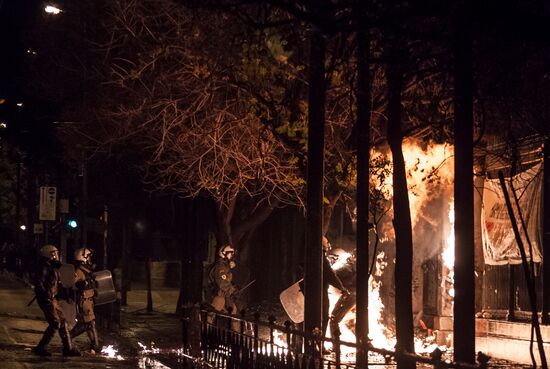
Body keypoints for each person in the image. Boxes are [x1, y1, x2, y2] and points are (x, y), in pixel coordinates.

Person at [32, 244, 80, 357]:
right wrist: (46, 296)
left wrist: (63, 294)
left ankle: (68, 348)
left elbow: (56, 283)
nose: (57, 255)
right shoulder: (44, 267)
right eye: (55, 253)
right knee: (55, 323)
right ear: (51, 254)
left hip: (52, 298)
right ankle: (40, 348)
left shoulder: (51, 266)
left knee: (62, 321)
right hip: (47, 299)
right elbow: (39, 283)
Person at [70, 247, 99, 353]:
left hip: (89, 301)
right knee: (89, 323)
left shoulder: (86, 271)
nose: (91, 259)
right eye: (89, 257)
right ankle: (94, 346)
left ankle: (67, 337)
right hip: (84, 301)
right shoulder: (79, 271)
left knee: (86, 324)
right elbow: (69, 283)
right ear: (83, 258)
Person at [321, 237, 349, 338]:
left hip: (310, 293)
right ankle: (319, 344)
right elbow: (330, 276)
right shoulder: (322, 260)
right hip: (320, 293)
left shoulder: (311, 257)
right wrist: (341, 288)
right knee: (323, 317)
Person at [208, 244, 240, 330]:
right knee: (210, 316)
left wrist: (234, 287)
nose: (232, 255)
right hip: (219, 296)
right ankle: (202, 334)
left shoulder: (225, 266)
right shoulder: (220, 267)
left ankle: (239, 336)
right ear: (223, 254)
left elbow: (227, 281)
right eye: (230, 253)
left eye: (233, 253)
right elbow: (223, 284)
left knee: (234, 313)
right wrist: (232, 290)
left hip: (225, 296)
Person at [327, 248, 356, 336]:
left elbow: (331, 276)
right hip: (354, 296)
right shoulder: (347, 266)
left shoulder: (343, 267)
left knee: (334, 319)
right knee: (350, 321)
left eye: (332, 258)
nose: (330, 260)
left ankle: (336, 348)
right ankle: (363, 344)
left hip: (350, 296)